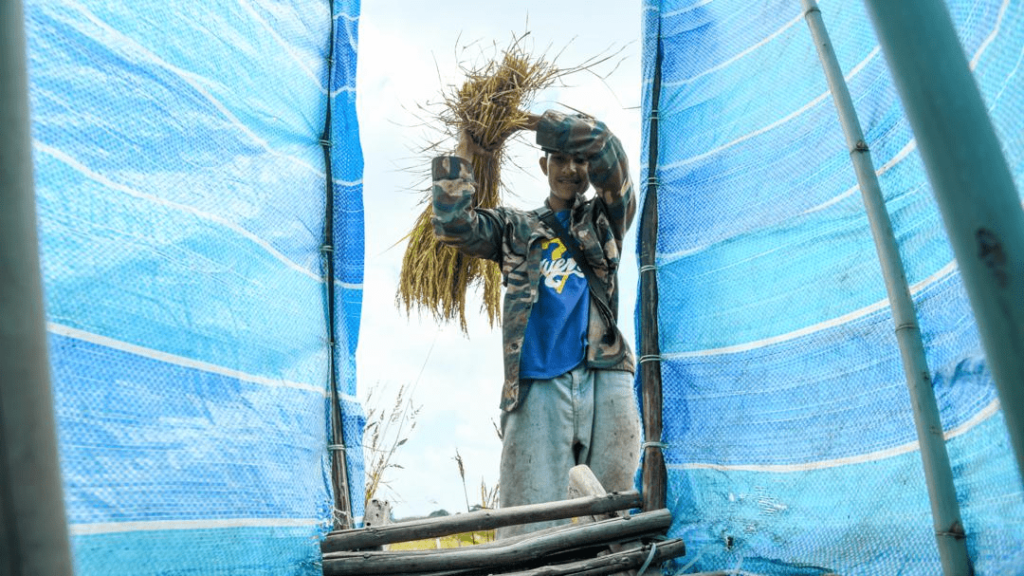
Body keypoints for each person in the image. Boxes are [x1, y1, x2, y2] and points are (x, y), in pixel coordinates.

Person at [431, 109, 640, 538]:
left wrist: (530, 122)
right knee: (531, 518)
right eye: (559, 159)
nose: (571, 169)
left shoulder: (606, 220)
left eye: (579, 161)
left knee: (615, 513)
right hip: (538, 380)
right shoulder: (514, 227)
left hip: (605, 373)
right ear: (543, 165)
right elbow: (453, 225)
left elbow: (609, 149)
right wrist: (466, 152)